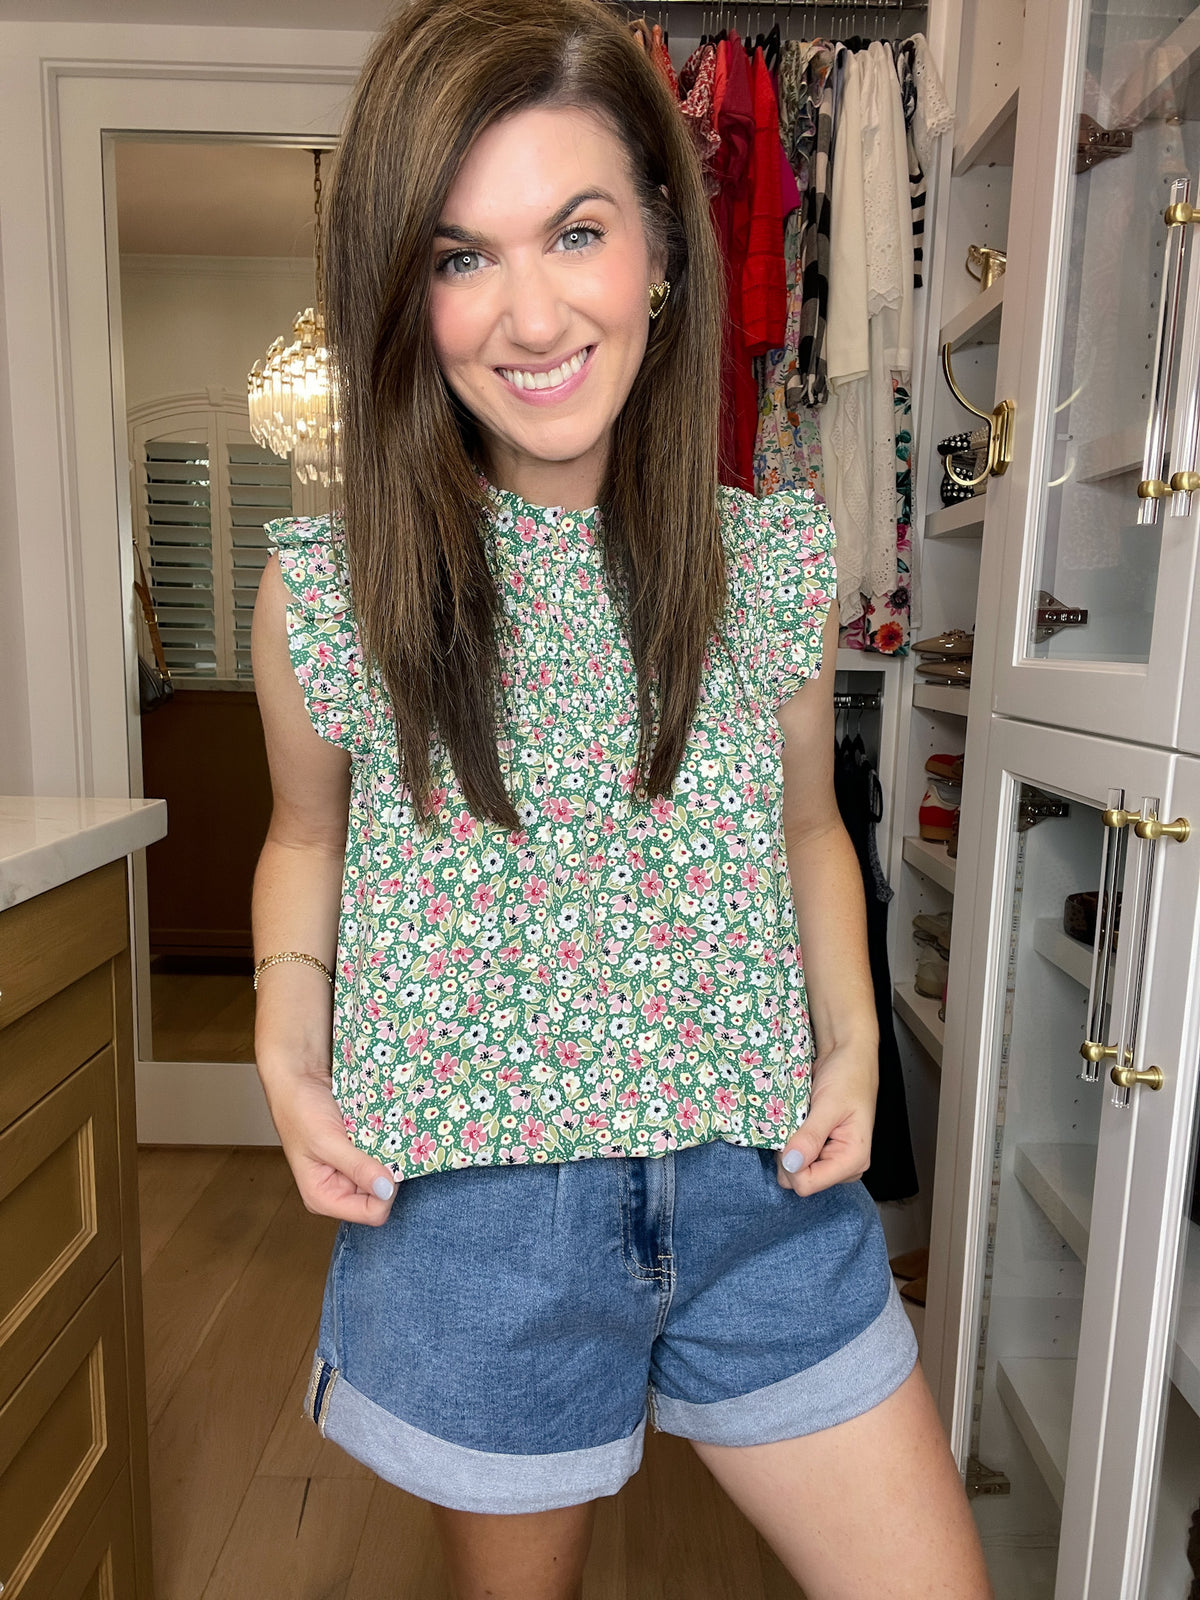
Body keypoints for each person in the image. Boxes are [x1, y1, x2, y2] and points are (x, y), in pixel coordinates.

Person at [249, 3, 992, 1597]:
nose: (529, 314)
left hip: (762, 1192)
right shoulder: (328, 590)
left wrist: (855, 1043)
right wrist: (286, 1048)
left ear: (660, 240)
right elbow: (304, 838)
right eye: (461, 257)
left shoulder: (769, 560)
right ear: (405, 294)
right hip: (476, 1222)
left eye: (575, 231)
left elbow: (808, 826)